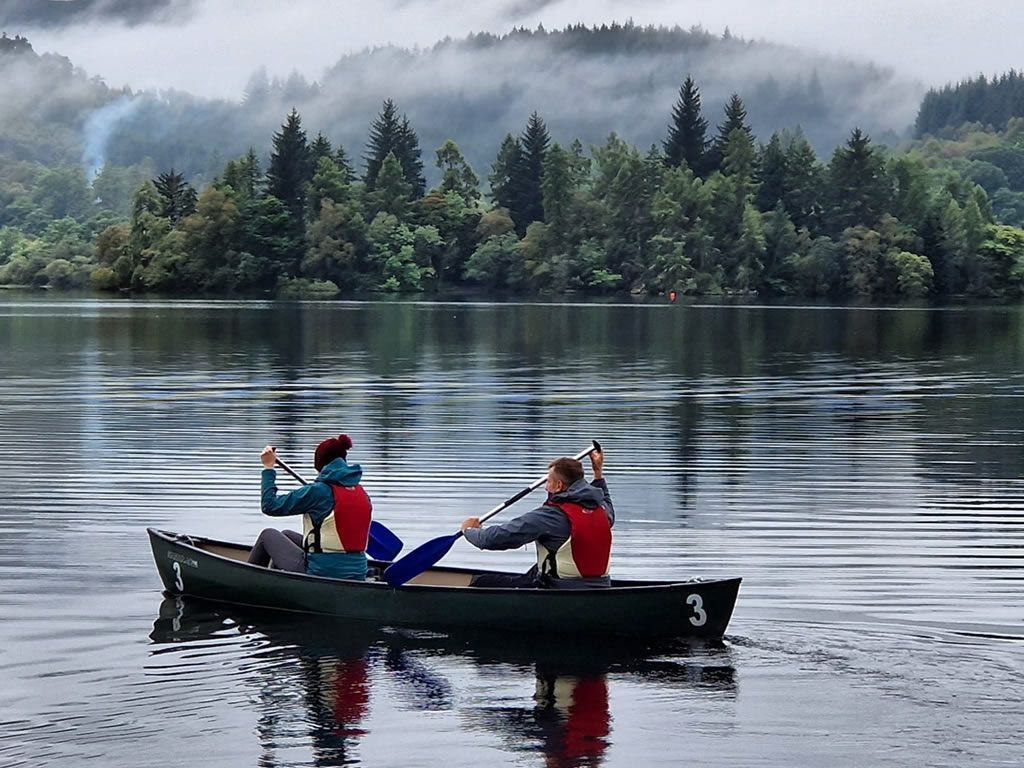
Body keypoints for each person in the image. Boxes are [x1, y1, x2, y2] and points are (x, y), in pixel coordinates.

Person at [460, 448, 613, 589]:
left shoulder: (550, 517)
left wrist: (469, 530)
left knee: (481, 582)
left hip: (559, 588)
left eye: (548, 481)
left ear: (559, 485)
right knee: (535, 570)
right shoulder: (602, 511)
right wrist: (598, 472)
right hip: (602, 585)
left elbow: (493, 539)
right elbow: (605, 500)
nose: (545, 487)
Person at [248, 434, 371, 580]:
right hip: (358, 572)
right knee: (286, 534)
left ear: (321, 466)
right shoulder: (361, 493)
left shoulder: (318, 491)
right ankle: (279, 583)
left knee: (267, 535)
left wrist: (268, 468)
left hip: (323, 572)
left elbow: (269, 505)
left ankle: (245, 584)